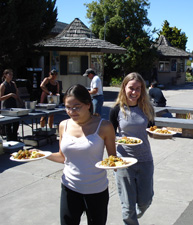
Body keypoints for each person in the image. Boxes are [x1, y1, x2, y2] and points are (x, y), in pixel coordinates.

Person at [37, 84, 116, 225]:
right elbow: (62, 157)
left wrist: (125, 161)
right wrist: (42, 154)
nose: (71, 111)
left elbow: (113, 160)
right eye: (67, 107)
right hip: (69, 188)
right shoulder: (63, 125)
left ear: (87, 104)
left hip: (96, 190)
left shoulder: (104, 126)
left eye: (76, 107)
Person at [109, 72, 155, 225]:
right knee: (128, 209)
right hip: (124, 161)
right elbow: (110, 136)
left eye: (138, 89)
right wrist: (113, 158)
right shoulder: (116, 110)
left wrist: (160, 133)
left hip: (145, 160)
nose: (134, 92)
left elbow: (152, 131)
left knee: (146, 201)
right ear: (124, 88)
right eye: (131, 88)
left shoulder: (147, 108)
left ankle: (137, 212)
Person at [0, 69, 21, 141]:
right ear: (5, 75)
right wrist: (10, 95)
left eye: (12, 75)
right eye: (9, 74)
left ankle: (14, 137)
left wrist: (20, 101)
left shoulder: (13, 84)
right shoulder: (3, 85)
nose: (11, 76)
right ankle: (9, 139)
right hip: (6, 105)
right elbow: (1, 98)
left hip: (13, 104)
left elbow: (17, 93)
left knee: (16, 122)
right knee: (8, 124)